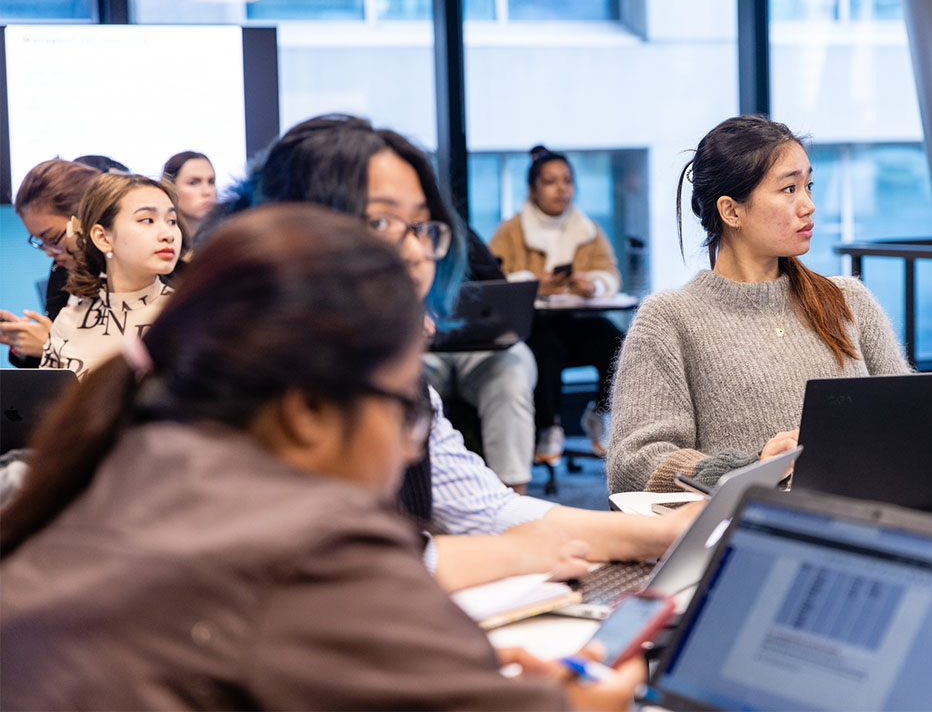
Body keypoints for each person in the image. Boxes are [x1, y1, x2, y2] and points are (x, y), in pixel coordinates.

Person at [0, 204, 643, 710]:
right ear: (306, 408)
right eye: (404, 407)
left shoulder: (125, 461)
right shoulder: (306, 542)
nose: (413, 441)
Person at [213, 114, 702, 592]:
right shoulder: (241, 382)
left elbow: (485, 507)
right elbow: (336, 570)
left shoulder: (398, 383)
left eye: (422, 227)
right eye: (381, 220)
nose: (414, 250)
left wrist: (662, 534)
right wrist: (517, 554)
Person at [607, 115, 911, 494]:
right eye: (789, 189)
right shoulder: (669, 318)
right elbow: (634, 461)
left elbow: (908, 418)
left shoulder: (848, 299)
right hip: (752, 534)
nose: (809, 205)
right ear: (731, 211)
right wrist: (751, 468)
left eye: (809, 186)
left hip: (869, 521)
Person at [489, 151, 624, 461]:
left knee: (615, 341)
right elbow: (492, 278)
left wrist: (594, 285)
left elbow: (610, 274)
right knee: (546, 347)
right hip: (533, 325)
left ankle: (600, 413)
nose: (561, 189)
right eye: (550, 182)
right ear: (532, 189)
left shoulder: (587, 230)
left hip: (576, 320)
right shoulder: (510, 231)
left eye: (567, 181)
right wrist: (534, 284)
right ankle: (548, 426)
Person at [423, 228, 539, 494]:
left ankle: (513, 495)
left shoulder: (453, 231)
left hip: (475, 346)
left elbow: (498, 290)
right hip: (414, 349)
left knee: (511, 372)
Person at [39, 173, 182, 380]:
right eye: (147, 220)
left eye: (172, 221)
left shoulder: (187, 314)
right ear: (102, 237)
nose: (168, 233)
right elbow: (49, 408)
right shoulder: (69, 321)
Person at [0, 160, 102, 366]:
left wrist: (54, 346)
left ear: (88, 219)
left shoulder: (134, 279)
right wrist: (24, 341)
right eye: (39, 241)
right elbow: (54, 368)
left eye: (53, 238)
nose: (48, 252)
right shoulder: (61, 271)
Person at [162, 150, 216, 245]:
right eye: (193, 182)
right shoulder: (162, 240)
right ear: (170, 188)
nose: (207, 191)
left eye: (211, 182)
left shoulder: (226, 238)